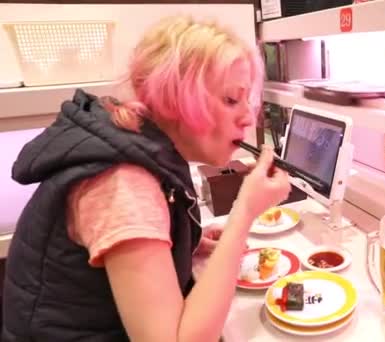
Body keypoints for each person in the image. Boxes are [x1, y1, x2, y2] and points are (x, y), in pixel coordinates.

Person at [2, 15, 291, 342]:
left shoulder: (131, 143)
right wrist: (245, 213)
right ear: (176, 98)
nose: (247, 117)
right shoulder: (123, 182)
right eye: (230, 99)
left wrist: (186, 245)